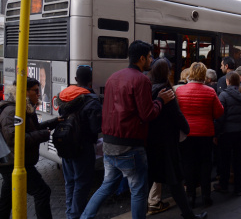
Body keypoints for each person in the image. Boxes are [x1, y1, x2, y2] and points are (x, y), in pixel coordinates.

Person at [81, 41, 175, 219]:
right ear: (141, 58)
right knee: (139, 191)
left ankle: (85, 217)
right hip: (130, 146)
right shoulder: (141, 80)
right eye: (149, 56)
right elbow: (147, 114)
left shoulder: (113, 77)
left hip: (109, 143)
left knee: (107, 185)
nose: (151, 60)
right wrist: (161, 100)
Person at [146, 59, 207, 219]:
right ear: (167, 72)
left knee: (148, 180)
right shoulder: (166, 90)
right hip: (167, 143)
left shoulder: (149, 88)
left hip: (151, 142)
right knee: (175, 182)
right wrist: (186, 129)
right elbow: (176, 115)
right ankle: (189, 215)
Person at [0, 78, 59, 219]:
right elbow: (15, 138)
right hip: (14, 163)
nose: (38, 94)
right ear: (24, 91)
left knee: (7, 197)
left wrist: (53, 122)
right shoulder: (12, 111)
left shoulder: (23, 109)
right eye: (36, 91)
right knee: (42, 192)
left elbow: (32, 129)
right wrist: (44, 134)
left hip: (12, 161)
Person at [57, 65, 102, 219]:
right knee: (82, 183)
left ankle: (70, 212)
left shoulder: (64, 96)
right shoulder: (92, 99)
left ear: (76, 79)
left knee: (69, 181)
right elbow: (95, 127)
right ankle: (76, 215)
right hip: (83, 147)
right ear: (91, 80)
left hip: (65, 144)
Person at [176, 62, 224, 208]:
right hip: (205, 132)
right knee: (205, 164)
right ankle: (206, 196)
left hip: (186, 134)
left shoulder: (180, 91)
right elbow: (219, 112)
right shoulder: (210, 91)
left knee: (188, 164)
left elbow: (176, 112)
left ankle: (190, 196)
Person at [213, 71, 241, 196]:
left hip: (228, 132)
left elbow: (220, 117)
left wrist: (216, 133)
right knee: (238, 160)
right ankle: (238, 188)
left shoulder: (223, 95)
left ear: (227, 81)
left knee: (225, 160)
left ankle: (223, 185)